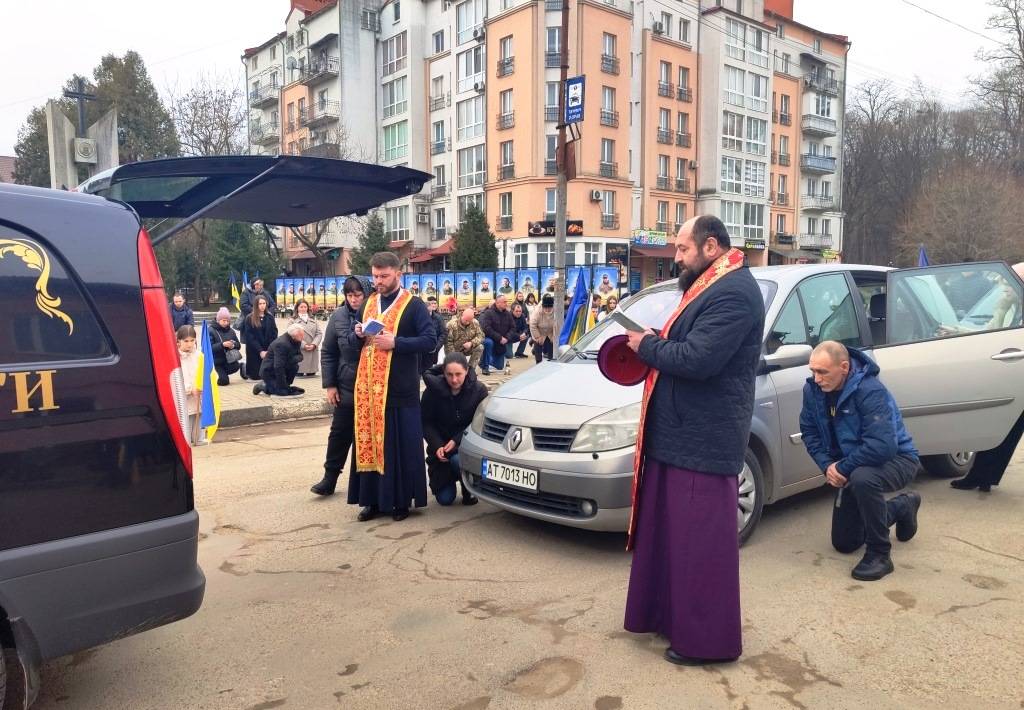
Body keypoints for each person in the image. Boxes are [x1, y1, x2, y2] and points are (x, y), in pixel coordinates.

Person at [622, 215, 765, 666]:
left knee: (699, 549)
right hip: (678, 435)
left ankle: (706, 642)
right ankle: (668, 617)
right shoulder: (706, 285)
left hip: (705, 442)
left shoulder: (736, 292)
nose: (677, 257)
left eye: (682, 249)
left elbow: (699, 358)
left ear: (710, 247)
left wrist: (645, 345)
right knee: (669, 539)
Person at [800, 341, 922, 582]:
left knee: (863, 478)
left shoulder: (870, 390)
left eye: (823, 372)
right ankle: (901, 507)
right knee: (845, 543)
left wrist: (842, 468)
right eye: (812, 371)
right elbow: (809, 432)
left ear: (843, 367)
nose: (816, 378)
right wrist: (827, 466)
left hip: (898, 459)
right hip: (853, 465)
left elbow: (883, 445)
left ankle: (880, 554)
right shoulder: (813, 391)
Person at [349, 252, 436, 522]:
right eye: (375, 276)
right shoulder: (370, 303)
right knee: (370, 443)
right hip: (368, 389)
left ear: (398, 274)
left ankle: (400, 501)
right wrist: (358, 335)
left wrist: (396, 342)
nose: (379, 281)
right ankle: (371, 500)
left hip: (399, 388)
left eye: (384, 276)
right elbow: (357, 346)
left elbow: (429, 340)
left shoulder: (414, 305)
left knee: (398, 446)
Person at [951, 262, 1024, 491]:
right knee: (999, 424)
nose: (1003, 287)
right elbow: (993, 334)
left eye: (1008, 282)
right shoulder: (1010, 306)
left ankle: (982, 476)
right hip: (1013, 378)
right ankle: (981, 476)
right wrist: (957, 331)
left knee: (1003, 424)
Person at [312, 276, 370, 496]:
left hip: (372, 385)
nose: (354, 300)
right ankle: (330, 478)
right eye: (349, 295)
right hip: (346, 384)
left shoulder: (376, 313)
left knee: (366, 436)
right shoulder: (338, 316)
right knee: (339, 433)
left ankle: (364, 483)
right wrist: (330, 384)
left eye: (358, 295)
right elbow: (328, 352)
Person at [421, 353, 488, 506]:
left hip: (465, 446)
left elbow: (479, 422)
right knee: (445, 500)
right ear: (443, 373)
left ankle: (468, 488)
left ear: (466, 371)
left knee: (458, 460)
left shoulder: (479, 391)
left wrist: (457, 440)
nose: (454, 379)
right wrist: (436, 444)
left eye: (458, 374)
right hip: (441, 452)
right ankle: (447, 480)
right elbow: (426, 422)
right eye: (449, 374)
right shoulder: (432, 392)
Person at [252, 324, 305, 396]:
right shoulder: (281, 344)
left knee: (295, 366)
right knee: (283, 392)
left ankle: (284, 385)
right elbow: (278, 367)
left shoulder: (296, 340)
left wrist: (290, 359)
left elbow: (300, 356)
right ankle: (262, 386)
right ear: (293, 335)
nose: (303, 337)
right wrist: (282, 386)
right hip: (270, 371)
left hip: (284, 367)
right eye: (301, 335)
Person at [176, 325, 205, 445]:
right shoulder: (175, 357)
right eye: (186, 341)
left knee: (198, 420)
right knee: (185, 424)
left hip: (198, 396)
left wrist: (201, 386)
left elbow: (207, 373)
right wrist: (188, 389)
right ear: (178, 342)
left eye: (192, 340)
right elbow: (177, 378)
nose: (189, 344)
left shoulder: (199, 356)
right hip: (183, 398)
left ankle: (199, 438)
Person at [241, 295, 278, 382]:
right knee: (256, 377)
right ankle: (243, 368)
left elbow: (274, 333)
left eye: (264, 303)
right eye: (260, 304)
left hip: (267, 348)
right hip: (255, 350)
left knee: (268, 375)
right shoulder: (250, 318)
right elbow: (250, 337)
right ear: (256, 305)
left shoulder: (270, 317)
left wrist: (269, 349)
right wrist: (260, 350)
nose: (262, 305)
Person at [479, 295, 517, 375]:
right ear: (498, 303)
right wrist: (499, 338)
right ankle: (485, 367)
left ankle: (483, 361)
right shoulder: (488, 313)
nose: (506, 304)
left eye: (506, 302)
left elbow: (513, 327)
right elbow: (486, 328)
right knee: (488, 343)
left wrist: (507, 338)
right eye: (504, 302)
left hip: (502, 342)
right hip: (491, 339)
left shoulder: (507, 314)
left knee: (499, 366)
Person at [289, 300, 323, 377]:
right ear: (297, 308)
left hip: (312, 351)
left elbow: (319, 333)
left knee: (311, 376)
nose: (303, 309)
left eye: (305, 307)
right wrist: (304, 345)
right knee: (299, 374)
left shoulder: (313, 320)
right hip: (299, 351)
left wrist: (314, 344)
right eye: (301, 307)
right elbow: (291, 335)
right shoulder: (292, 321)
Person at [446, 306, 485, 371]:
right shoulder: (451, 324)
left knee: (480, 347)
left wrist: (471, 343)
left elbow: (481, 336)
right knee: (457, 369)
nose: (467, 322)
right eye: (466, 320)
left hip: (468, 348)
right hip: (455, 350)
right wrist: (453, 356)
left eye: (469, 321)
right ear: (462, 315)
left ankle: (471, 370)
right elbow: (448, 342)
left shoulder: (475, 322)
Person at [209, 307, 241, 386]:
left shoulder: (231, 331)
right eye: (223, 320)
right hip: (216, 362)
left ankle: (222, 374)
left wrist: (233, 345)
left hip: (228, 360)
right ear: (218, 320)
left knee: (236, 366)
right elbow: (209, 348)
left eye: (227, 321)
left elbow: (238, 345)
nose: (226, 323)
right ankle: (217, 375)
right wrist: (222, 345)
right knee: (224, 381)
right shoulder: (211, 330)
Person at [421, 296, 447, 373]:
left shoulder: (438, 318)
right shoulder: (418, 317)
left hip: (433, 348)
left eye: (434, 303)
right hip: (421, 347)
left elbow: (443, 334)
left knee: (429, 371)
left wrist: (437, 347)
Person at [529, 294, 556, 363]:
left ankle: (551, 363)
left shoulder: (556, 311)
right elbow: (532, 325)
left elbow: (558, 325)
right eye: (545, 307)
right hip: (539, 331)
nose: (547, 309)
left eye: (549, 307)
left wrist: (554, 335)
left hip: (550, 331)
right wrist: (537, 337)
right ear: (543, 306)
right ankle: (538, 363)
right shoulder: (537, 312)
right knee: (538, 349)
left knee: (552, 350)